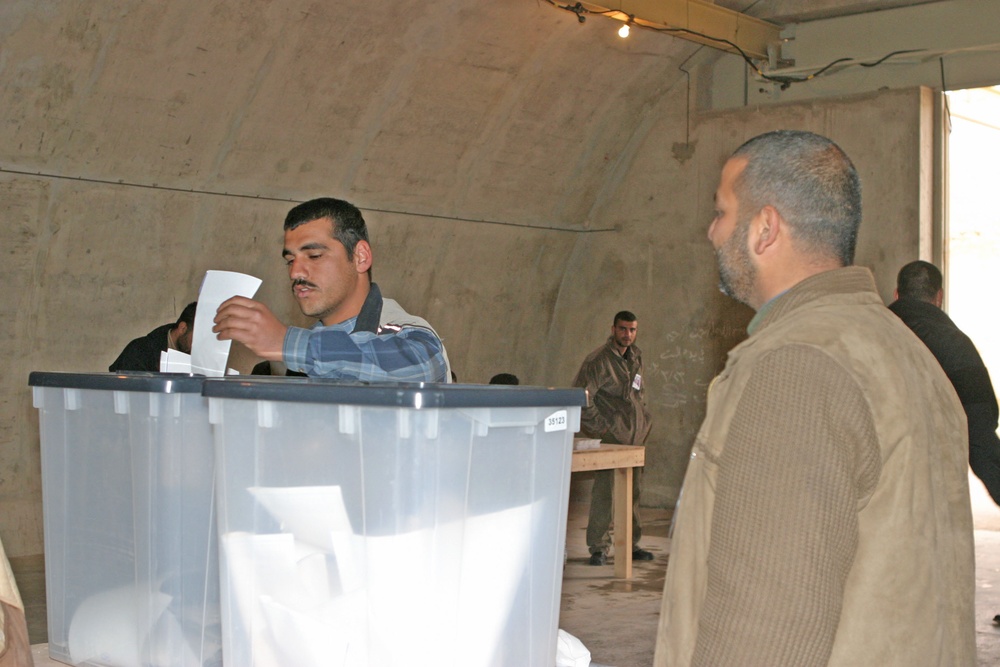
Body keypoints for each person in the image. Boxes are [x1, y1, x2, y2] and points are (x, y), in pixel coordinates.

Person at [655, 130, 975, 666]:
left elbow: (765, 633)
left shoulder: (795, 365)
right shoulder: (905, 351)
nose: (711, 233)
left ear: (765, 228)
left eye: (721, 212)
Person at [213, 197, 451, 382]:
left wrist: (285, 342)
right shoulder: (307, 353)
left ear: (360, 257)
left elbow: (421, 366)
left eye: (314, 256)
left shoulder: (401, 331)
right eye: (290, 260)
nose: (296, 272)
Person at [889, 260, 1000, 505]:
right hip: (931, 490)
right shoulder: (955, 345)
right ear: (939, 296)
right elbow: (981, 435)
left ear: (897, 294)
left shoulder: (871, 331)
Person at [572, 311, 653, 566]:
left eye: (632, 330)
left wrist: (644, 420)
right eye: (622, 329)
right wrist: (603, 429)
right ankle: (598, 547)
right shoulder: (598, 361)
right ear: (613, 329)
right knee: (605, 493)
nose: (627, 334)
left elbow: (638, 393)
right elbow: (581, 397)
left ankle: (631, 544)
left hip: (635, 437)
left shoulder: (636, 357)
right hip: (612, 436)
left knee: (633, 492)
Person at [108, 301, 197, 372]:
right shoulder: (139, 351)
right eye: (197, 338)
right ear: (183, 328)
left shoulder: (200, 360)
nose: (200, 345)